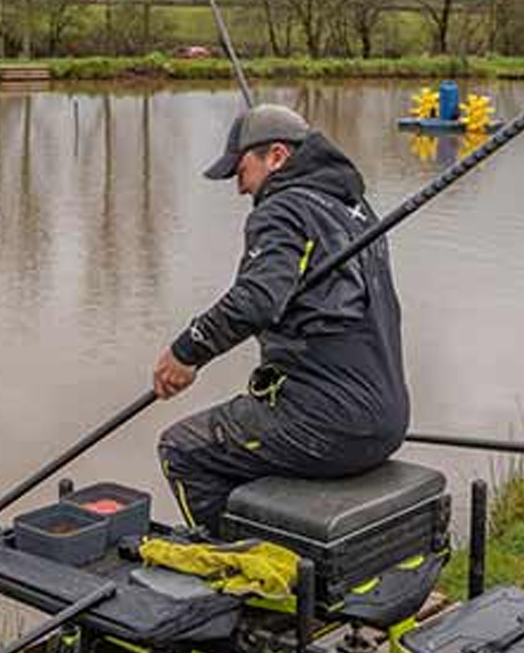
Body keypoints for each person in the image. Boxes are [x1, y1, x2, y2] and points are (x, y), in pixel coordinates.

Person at [153, 103, 409, 535]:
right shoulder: (353, 207)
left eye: (241, 170)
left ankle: (243, 575)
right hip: (387, 419)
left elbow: (256, 300)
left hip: (329, 424)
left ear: (277, 156)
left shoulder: (282, 209)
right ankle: (284, 548)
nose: (240, 188)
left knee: (183, 448)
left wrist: (185, 353)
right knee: (244, 437)